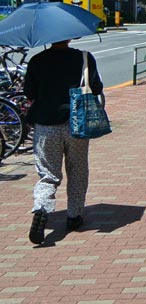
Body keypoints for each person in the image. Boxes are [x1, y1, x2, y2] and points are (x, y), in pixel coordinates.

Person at [23, 39, 104, 245]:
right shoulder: (83, 57)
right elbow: (95, 87)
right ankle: (74, 216)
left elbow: (29, 93)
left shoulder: (37, 61)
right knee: (77, 169)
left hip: (45, 125)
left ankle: (41, 207)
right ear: (69, 37)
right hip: (76, 123)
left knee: (48, 174)